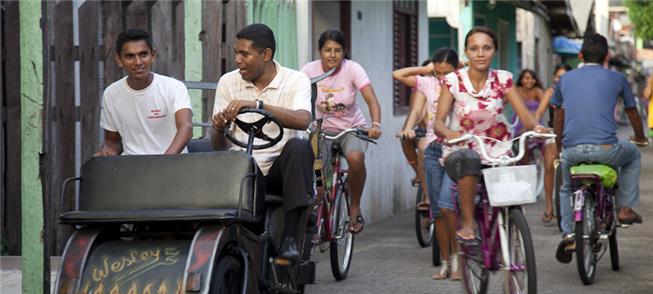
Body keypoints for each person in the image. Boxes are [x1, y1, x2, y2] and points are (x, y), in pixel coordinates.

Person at [433, 26, 547, 242]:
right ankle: (468, 224)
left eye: (486, 48)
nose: (480, 53)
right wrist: (448, 132)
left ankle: (509, 233)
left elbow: (524, 115)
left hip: (497, 151)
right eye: (474, 48)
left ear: (494, 50)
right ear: (466, 52)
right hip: (462, 149)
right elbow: (438, 122)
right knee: (462, 173)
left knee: (509, 198)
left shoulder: (503, 79)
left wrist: (537, 127)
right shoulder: (453, 81)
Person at [211, 24, 314, 261]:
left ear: (266, 55)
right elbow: (219, 146)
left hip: (280, 173)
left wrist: (258, 105)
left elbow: (302, 120)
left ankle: (290, 238)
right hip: (243, 172)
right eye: (236, 52)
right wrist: (218, 128)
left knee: (299, 147)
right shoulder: (227, 82)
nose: (237, 60)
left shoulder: (296, 80)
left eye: (244, 54)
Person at [551, 33, 648, 263]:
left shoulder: (565, 79)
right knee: (633, 155)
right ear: (607, 56)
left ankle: (568, 233)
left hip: (572, 151)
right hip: (606, 149)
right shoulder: (617, 79)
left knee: (566, 188)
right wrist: (640, 137)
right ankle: (624, 208)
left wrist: (559, 146)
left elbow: (558, 115)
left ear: (580, 55)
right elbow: (633, 111)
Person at [300, 29, 382, 234]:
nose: (332, 55)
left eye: (337, 50)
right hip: (320, 130)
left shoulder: (352, 69)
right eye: (327, 50)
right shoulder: (309, 71)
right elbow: (296, 97)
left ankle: (354, 207)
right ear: (320, 51)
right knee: (316, 175)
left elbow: (371, 100)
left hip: (350, 128)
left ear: (344, 52)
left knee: (355, 158)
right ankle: (314, 214)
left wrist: (376, 124)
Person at [394, 48, 462, 280]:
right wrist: (426, 69)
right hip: (434, 148)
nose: (442, 77)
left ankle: (457, 260)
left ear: (457, 69)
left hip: (458, 149)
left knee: (449, 207)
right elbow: (398, 76)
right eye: (438, 72)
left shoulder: (462, 82)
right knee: (438, 212)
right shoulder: (427, 82)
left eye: (447, 72)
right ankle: (445, 262)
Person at [97, 28, 193, 156]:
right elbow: (112, 141)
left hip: (172, 166)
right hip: (132, 169)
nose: (138, 62)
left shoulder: (174, 87)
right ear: (119, 60)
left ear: (153, 55)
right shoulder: (111, 94)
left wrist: (163, 162)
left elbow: (186, 127)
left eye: (143, 54)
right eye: (130, 56)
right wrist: (108, 151)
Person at [536, 64, 571, 223]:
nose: (561, 80)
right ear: (554, 78)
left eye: (564, 76)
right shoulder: (550, 93)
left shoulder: (575, 93)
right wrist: (537, 126)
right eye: (558, 76)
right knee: (549, 165)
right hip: (552, 131)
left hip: (572, 132)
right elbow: (539, 113)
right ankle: (549, 206)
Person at [512, 69, 544, 134]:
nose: (530, 81)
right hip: (519, 122)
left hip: (535, 121)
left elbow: (544, 106)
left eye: (532, 78)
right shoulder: (516, 91)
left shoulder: (537, 91)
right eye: (527, 78)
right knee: (519, 142)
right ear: (521, 80)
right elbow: (502, 102)